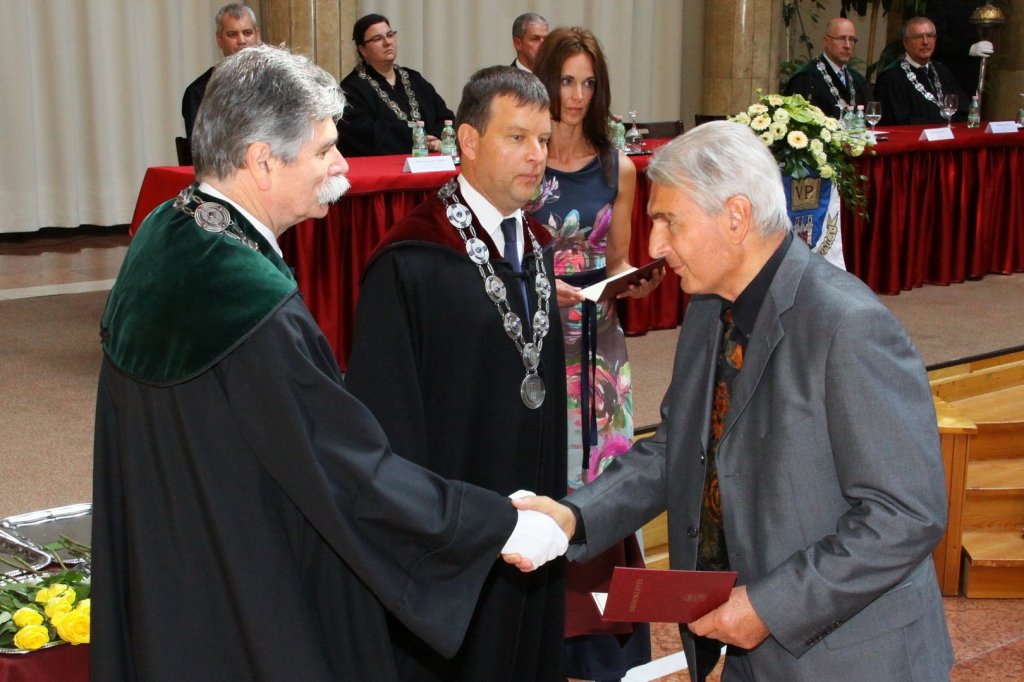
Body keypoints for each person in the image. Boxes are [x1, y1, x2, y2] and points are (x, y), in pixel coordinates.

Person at [92, 45, 567, 681]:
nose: (341, 165)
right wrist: (493, 525)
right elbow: (344, 466)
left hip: (176, 566)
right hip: (249, 586)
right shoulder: (249, 302)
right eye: (324, 150)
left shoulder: (168, 232)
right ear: (262, 161)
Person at [514, 121, 955, 680]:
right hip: (748, 645)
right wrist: (573, 517)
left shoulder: (849, 326)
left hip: (851, 658)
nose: (654, 246)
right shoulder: (709, 307)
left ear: (736, 216)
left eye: (669, 220)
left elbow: (906, 514)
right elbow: (675, 448)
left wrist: (769, 607)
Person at [344, 65, 567, 681]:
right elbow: (387, 426)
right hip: (455, 527)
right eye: (517, 137)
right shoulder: (413, 258)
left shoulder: (535, 244)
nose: (537, 156)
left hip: (532, 506)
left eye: (543, 140)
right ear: (468, 141)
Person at [526, 26, 662, 682]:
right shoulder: (524, 161)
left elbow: (619, 259)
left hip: (600, 344)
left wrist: (638, 281)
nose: (576, 96)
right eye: (565, 81)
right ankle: (541, 632)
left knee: (605, 477)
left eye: (587, 83)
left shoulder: (618, 167)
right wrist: (538, 287)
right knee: (545, 471)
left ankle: (604, 642)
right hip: (535, 340)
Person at [337, 13, 454, 157]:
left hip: (429, 163)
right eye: (377, 38)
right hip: (385, 166)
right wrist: (415, 140)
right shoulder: (351, 89)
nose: (387, 42)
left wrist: (435, 139)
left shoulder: (414, 78)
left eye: (390, 35)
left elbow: (445, 117)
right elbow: (364, 135)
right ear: (362, 50)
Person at [181, 3, 261, 141]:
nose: (242, 40)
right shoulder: (199, 92)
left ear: (257, 35)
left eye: (247, 33)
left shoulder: (276, 83)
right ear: (219, 40)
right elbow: (200, 147)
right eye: (232, 34)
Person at [875, 16, 967, 125]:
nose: (925, 42)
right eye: (918, 37)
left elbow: (963, 111)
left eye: (930, 36)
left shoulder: (942, 71)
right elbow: (897, 120)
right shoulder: (892, 77)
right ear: (905, 42)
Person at [783, 18, 869, 120]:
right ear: (826, 41)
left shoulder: (857, 80)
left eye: (851, 39)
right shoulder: (806, 78)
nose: (847, 45)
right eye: (841, 38)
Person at [927, 0, 995, 99]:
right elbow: (935, 38)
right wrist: (969, 49)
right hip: (948, 71)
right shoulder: (939, 3)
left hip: (972, 70)